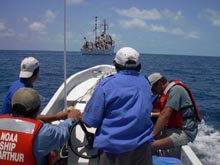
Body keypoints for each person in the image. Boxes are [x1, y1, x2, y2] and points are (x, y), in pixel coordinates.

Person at [82, 47, 154, 165]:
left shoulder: (107, 85)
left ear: (116, 65)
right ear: (139, 66)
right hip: (143, 148)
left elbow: (91, 121)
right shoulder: (145, 82)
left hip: (113, 151)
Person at [0, 88, 82, 165]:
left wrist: (57, 117)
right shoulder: (42, 132)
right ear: (37, 109)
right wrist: (71, 118)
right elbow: (62, 133)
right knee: (54, 153)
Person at [148, 72, 202, 158]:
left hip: (184, 132)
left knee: (150, 145)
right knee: (145, 140)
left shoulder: (176, 90)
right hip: (172, 128)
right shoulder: (166, 93)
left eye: (153, 90)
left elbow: (165, 114)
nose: (153, 93)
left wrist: (153, 135)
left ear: (160, 84)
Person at [1, 57, 69, 122]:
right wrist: (57, 117)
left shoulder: (16, 84)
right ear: (37, 73)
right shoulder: (24, 92)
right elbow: (31, 117)